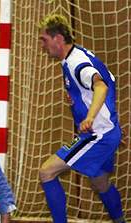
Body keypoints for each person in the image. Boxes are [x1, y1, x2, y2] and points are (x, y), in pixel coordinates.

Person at [38, 14, 125, 223]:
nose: (42, 45)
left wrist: (90, 117)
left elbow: (101, 86)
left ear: (58, 38)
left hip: (97, 135)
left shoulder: (76, 62)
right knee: (100, 183)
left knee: (46, 172)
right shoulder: (75, 57)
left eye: (44, 39)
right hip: (107, 131)